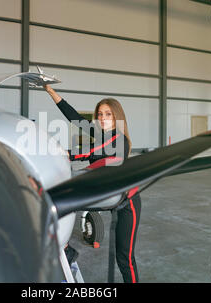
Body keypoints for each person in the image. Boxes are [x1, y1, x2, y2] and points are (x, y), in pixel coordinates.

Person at [43, 84, 142, 283]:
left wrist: (65, 153)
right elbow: (74, 118)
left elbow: (92, 152)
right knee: (60, 205)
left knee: (125, 258)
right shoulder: (99, 133)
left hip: (126, 202)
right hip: (105, 194)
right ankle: (65, 249)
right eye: (100, 114)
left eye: (108, 114)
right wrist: (51, 92)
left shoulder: (119, 139)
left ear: (116, 117)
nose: (103, 118)